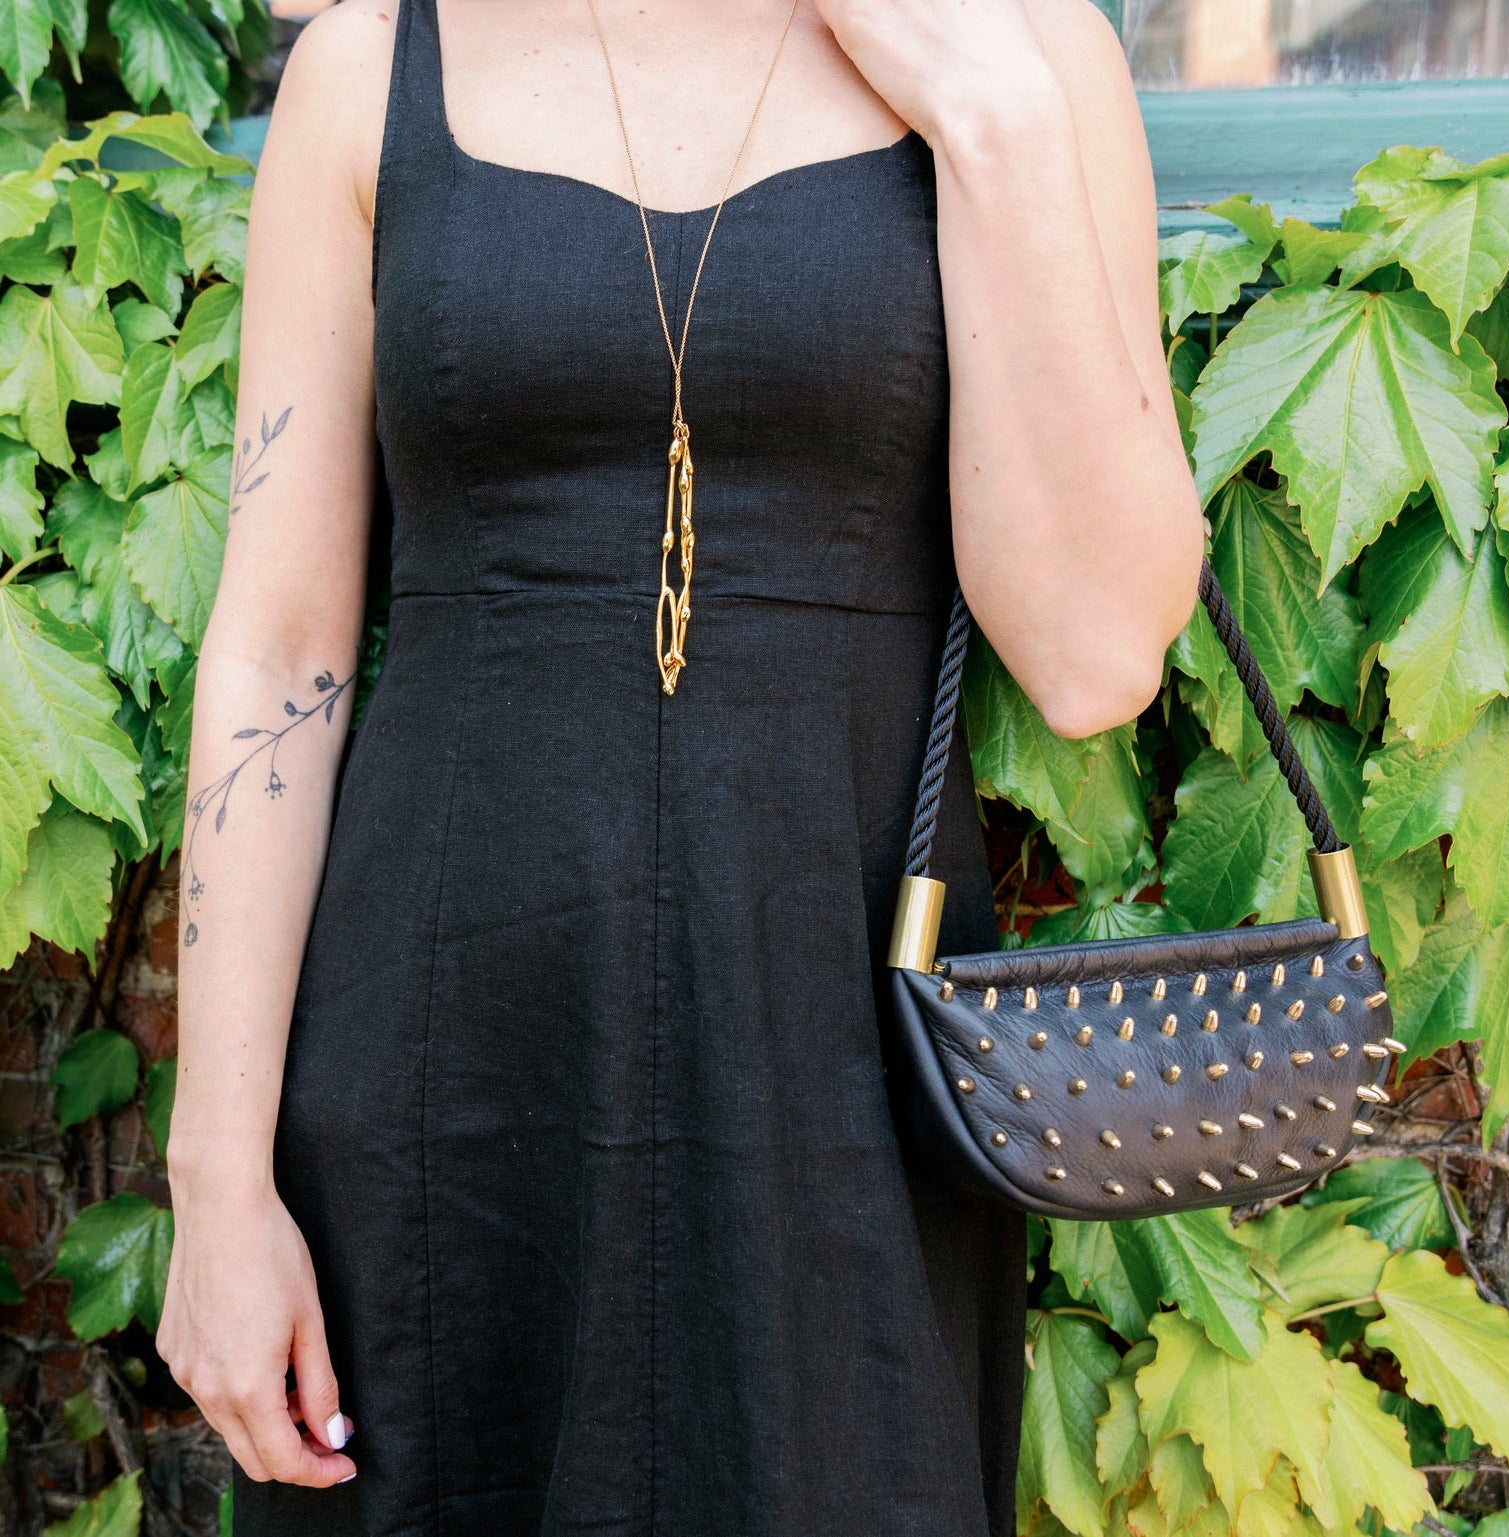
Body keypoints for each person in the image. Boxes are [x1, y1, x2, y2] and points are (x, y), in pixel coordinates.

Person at [155, 0, 1204, 1532]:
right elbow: (278, 650)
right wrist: (218, 1183)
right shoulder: (370, 69)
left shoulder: (1023, 51)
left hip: (835, 1094)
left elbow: (1096, 654)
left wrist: (992, 120)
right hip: (436, 1088)